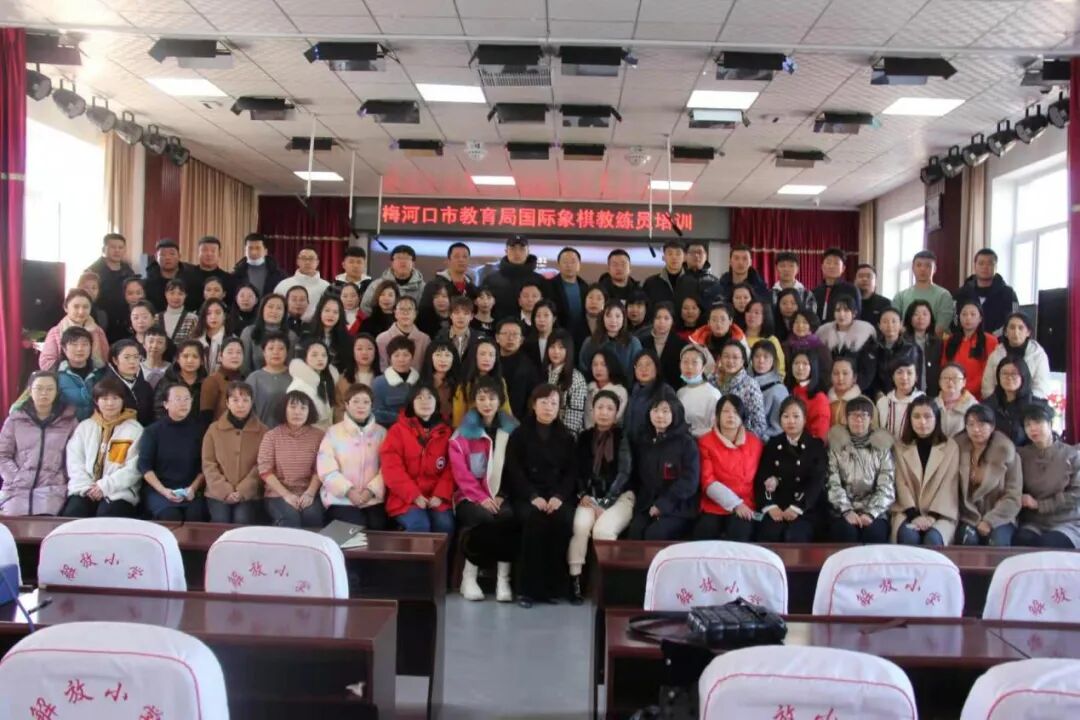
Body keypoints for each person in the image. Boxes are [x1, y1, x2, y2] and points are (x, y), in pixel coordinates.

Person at [504, 384, 578, 606]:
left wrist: (559, 497)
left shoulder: (567, 436)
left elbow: (572, 473)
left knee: (562, 520)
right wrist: (532, 496)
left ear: (559, 408)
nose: (548, 407)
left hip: (557, 496)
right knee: (534, 521)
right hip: (527, 494)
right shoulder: (519, 434)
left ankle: (553, 589)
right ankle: (527, 590)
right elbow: (514, 470)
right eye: (543, 402)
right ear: (534, 405)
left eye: (553, 403)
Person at [450, 377, 519, 603]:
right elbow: (461, 474)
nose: (487, 403)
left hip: (501, 494)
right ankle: (469, 577)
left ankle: (503, 580)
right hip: (469, 497)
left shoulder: (513, 431)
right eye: (481, 398)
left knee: (508, 517)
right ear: (474, 402)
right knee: (483, 519)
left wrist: (502, 495)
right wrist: (480, 498)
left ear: (500, 401)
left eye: (492, 398)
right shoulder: (463, 434)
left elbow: (515, 468)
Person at [568, 390, 634, 603]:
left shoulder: (623, 437)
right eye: (600, 407)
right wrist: (583, 494)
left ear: (616, 413)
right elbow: (576, 471)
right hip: (589, 496)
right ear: (592, 410)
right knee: (580, 526)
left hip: (620, 497)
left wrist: (605, 503)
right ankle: (576, 580)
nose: (604, 413)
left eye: (610, 408)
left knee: (603, 531)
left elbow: (624, 473)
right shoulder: (584, 437)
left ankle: (608, 583)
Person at [62, 377, 143, 518]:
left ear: (123, 400)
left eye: (115, 398)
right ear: (96, 401)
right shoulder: (85, 427)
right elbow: (74, 461)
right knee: (73, 514)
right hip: (84, 489)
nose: (110, 403)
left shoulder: (134, 430)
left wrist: (104, 486)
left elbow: (134, 468)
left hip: (119, 491)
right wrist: (88, 487)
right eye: (104, 399)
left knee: (108, 517)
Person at [0, 372, 78, 516]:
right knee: (12, 523)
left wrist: (61, 480)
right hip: (16, 488)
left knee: (46, 522)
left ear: (57, 392)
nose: (44, 393)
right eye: (39, 388)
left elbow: (75, 458)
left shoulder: (68, 421)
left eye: (50, 389)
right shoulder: (16, 419)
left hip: (53, 490)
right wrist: (15, 477)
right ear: (30, 391)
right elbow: (2, 454)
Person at [382, 383, 455, 534]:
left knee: (445, 525)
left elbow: (451, 468)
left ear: (436, 402)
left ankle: (442, 553)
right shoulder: (397, 431)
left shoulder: (447, 432)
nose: (425, 402)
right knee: (420, 526)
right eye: (419, 398)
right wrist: (414, 496)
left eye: (429, 397)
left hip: (436, 497)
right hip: (405, 498)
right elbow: (392, 469)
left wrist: (440, 495)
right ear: (411, 403)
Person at [754, 397, 827, 543]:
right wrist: (771, 506)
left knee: (795, 537)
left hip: (805, 509)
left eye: (796, 416)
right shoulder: (773, 444)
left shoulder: (815, 446)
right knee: (768, 534)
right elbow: (762, 476)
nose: (791, 421)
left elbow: (816, 482)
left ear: (804, 419)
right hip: (778, 507)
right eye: (786, 416)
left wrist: (797, 507)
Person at [316, 383, 389, 528]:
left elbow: (388, 468)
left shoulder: (381, 433)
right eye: (355, 401)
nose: (361, 406)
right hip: (341, 499)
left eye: (366, 402)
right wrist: (348, 491)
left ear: (371, 406)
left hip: (373, 498)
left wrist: (371, 491)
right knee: (354, 527)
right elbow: (326, 469)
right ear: (347, 405)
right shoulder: (333, 433)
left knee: (378, 526)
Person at [826, 396, 895, 543]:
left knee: (874, 535)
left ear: (871, 419)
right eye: (853, 416)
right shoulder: (836, 446)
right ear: (846, 419)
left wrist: (870, 513)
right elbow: (832, 482)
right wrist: (847, 510)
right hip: (842, 511)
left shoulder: (882, 447)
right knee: (846, 534)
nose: (858, 420)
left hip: (875, 511)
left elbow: (886, 485)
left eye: (863, 416)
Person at [892, 396, 959, 546]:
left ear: (937, 419)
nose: (922, 422)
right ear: (909, 419)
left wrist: (932, 517)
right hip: (907, 511)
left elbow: (949, 486)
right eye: (916, 416)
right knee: (909, 537)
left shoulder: (950, 447)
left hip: (941, 514)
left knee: (933, 539)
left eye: (928, 416)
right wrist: (914, 515)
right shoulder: (900, 446)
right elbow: (901, 484)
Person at [693, 395, 760, 541]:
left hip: (746, 503)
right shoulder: (705, 442)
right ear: (717, 416)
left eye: (736, 412)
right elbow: (708, 481)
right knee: (703, 534)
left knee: (739, 534)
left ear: (742, 417)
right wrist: (735, 504)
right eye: (726, 411)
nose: (731, 416)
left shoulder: (754, 443)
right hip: (714, 504)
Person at [137, 383, 207, 521]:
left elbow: (205, 465)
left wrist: (193, 488)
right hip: (160, 490)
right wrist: (164, 491)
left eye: (187, 399)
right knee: (170, 516)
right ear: (166, 404)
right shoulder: (152, 431)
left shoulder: (200, 430)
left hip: (191, 490)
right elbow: (144, 466)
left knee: (195, 516)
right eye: (178, 399)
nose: (183, 403)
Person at [954, 404, 1021, 546]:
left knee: (997, 542)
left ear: (992, 426)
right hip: (968, 516)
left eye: (982, 424)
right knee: (968, 540)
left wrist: (989, 521)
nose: (976, 429)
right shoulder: (957, 450)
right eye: (971, 424)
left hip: (1000, 516)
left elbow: (1013, 496)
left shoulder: (1008, 453)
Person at [1015, 403, 1080, 548]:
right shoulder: (1021, 455)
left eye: (1038, 422)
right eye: (1028, 425)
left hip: (1067, 521)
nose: (1032, 428)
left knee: (1049, 544)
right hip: (1034, 522)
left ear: (1050, 424)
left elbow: (1076, 494)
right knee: (1021, 541)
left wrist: (1039, 504)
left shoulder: (1072, 455)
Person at [201, 381, 266, 525]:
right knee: (221, 520)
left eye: (245, 400)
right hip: (217, 492)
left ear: (252, 403)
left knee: (242, 519)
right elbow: (208, 463)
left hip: (250, 493)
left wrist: (243, 490)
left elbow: (262, 464)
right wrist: (224, 490)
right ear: (227, 403)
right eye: (235, 400)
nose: (240, 405)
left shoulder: (263, 431)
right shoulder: (214, 429)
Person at [258, 390, 325, 528]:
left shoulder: (319, 436)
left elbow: (320, 468)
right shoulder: (271, 436)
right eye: (293, 407)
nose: (297, 412)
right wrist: (286, 495)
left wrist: (310, 493)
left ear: (309, 411)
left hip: (308, 492)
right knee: (290, 518)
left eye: (303, 408)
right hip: (278, 494)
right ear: (284, 409)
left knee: (313, 516)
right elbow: (265, 470)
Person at [981, 312, 1051, 400]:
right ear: (1005, 332)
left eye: (1020, 328)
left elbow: (1041, 388)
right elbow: (987, 386)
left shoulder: (1038, 355)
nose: (1016, 332)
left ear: (1028, 332)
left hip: (1030, 404)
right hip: (999, 404)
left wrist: (1027, 405)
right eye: (1012, 327)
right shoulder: (995, 355)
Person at [983, 358, 1050, 448]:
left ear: (1023, 376)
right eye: (1004, 373)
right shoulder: (987, 405)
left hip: (1027, 454)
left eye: (1014, 373)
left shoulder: (1037, 406)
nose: (1009, 377)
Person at [953, 248, 1019, 335]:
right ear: (974, 266)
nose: (985, 267)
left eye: (990, 264)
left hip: (999, 341)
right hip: (966, 340)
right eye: (981, 263)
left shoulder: (1008, 294)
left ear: (996, 267)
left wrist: (991, 337)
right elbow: (954, 319)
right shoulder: (961, 293)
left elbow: (1014, 320)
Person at [39, 289, 110, 370]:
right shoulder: (56, 332)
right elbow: (45, 363)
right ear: (66, 308)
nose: (81, 311)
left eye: (86, 307)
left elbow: (107, 359)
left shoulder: (97, 331)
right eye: (76, 307)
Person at [84, 233, 136, 344]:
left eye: (120, 247)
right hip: (100, 321)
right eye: (113, 247)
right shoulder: (93, 271)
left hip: (124, 322)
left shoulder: (128, 271)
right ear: (104, 249)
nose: (117, 250)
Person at [712, 340, 768, 439]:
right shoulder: (711, 381)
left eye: (735, 357)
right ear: (720, 359)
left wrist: (741, 440)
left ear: (742, 361)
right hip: (714, 437)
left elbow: (759, 425)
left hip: (741, 440)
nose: (730, 361)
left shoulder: (750, 385)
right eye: (726, 356)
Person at [943, 299, 998, 399]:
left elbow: (988, 372)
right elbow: (944, 367)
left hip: (979, 396)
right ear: (959, 318)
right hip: (952, 393)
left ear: (980, 318)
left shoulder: (990, 341)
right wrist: (954, 389)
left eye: (973, 314)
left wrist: (965, 390)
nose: (968, 318)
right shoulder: (950, 341)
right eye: (964, 314)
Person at [452, 337, 512, 427]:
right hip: (471, 431)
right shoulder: (464, 384)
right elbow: (458, 420)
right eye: (482, 354)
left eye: (491, 355)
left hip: (497, 430)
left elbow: (506, 412)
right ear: (474, 356)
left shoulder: (500, 381)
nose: (487, 359)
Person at [893, 250, 955, 333]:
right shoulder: (900, 296)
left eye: (928, 266)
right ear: (913, 268)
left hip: (934, 340)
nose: (922, 269)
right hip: (905, 340)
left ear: (934, 269)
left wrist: (921, 338)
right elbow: (894, 324)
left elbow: (941, 328)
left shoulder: (944, 295)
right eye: (919, 265)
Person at [97, 339, 155, 426]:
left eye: (136, 357)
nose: (132, 361)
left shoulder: (145, 386)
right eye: (127, 357)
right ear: (115, 360)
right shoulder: (105, 387)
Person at [287, 340, 340, 430]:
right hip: (306, 432)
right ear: (305, 357)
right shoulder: (298, 385)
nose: (320, 359)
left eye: (324, 355)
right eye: (314, 355)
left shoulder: (327, 381)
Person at [871, 308, 924, 398]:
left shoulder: (911, 348)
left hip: (905, 396)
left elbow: (916, 377)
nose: (890, 325)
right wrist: (878, 393)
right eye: (885, 321)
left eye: (894, 321)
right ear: (879, 326)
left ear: (901, 324)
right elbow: (872, 376)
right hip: (880, 396)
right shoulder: (873, 347)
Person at [624, 350, 674, 443]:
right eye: (639, 365)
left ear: (656, 367)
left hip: (654, 445)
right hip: (630, 445)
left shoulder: (665, 391)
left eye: (648, 365)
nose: (644, 369)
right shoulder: (630, 391)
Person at [240, 293, 298, 374]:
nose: (274, 311)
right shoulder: (249, 332)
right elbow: (244, 366)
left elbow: (290, 366)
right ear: (262, 310)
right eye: (270, 307)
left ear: (284, 313)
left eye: (279, 308)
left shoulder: (291, 336)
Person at [495, 319, 541, 420]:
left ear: (521, 340)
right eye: (505, 333)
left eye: (515, 334)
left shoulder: (529, 367)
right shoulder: (490, 361)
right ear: (497, 338)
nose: (510, 338)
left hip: (517, 421)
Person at [360, 244, 425, 315]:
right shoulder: (377, 285)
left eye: (407, 258)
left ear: (413, 263)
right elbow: (365, 307)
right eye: (398, 258)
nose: (403, 261)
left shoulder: (423, 288)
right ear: (391, 263)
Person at [544, 330, 588, 436]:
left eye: (561, 348)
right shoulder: (542, 372)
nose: (556, 351)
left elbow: (574, 419)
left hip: (564, 435)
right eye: (552, 347)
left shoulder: (576, 378)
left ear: (569, 350)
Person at [875, 352, 925, 441]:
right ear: (893, 377)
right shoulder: (883, 402)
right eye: (899, 372)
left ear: (916, 377)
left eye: (909, 373)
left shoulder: (923, 402)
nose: (904, 377)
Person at [246, 332, 292, 429]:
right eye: (271, 348)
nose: (276, 352)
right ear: (264, 352)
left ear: (287, 352)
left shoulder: (294, 376)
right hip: (261, 432)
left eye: (281, 348)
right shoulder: (254, 378)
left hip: (291, 433)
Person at [547, 247, 591, 347]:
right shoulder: (549, 286)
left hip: (581, 337)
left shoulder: (585, 287)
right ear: (558, 264)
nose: (569, 265)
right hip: (558, 337)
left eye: (573, 262)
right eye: (565, 262)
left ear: (579, 265)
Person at [53, 327, 99, 420]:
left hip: (96, 425)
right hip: (65, 425)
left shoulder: (100, 373)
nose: (79, 349)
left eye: (85, 344)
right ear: (64, 348)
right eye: (74, 344)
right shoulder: (54, 376)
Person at [372, 336, 419, 426]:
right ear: (390, 358)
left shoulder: (419, 381)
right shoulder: (379, 383)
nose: (401, 359)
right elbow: (375, 412)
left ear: (412, 357)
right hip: (388, 430)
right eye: (396, 355)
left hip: (416, 430)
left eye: (406, 355)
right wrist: (401, 419)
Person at [676, 344, 721, 439]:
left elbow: (717, 427)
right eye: (685, 362)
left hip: (705, 442)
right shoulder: (679, 393)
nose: (689, 366)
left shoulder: (713, 394)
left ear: (703, 367)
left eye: (694, 362)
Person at [153, 340, 205, 421]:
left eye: (195, 356)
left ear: (201, 361)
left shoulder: (207, 383)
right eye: (185, 356)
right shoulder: (167, 381)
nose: (190, 360)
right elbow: (158, 410)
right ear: (177, 359)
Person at [273, 247, 330, 321]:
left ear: (317, 262)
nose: (307, 262)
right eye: (303, 258)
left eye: (311, 259)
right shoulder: (283, 285)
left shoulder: (326, 287)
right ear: (298, 261)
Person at [640, 301, 687, 390]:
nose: (662, 322)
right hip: (647, 389)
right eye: (658, 318)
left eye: (666, 318)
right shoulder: (643, 342)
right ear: (653, 320)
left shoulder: (681, 344)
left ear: (672, 321)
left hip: (673, 390)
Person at [786, 350, 831, 441]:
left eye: (805, 364)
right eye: (796, 363)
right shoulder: (789, 391)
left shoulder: (819, 398)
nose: (800, 367)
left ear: (813, 367)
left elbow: (820, 435)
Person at [376, 296, 430, 372]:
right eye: (401, 309)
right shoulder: (382, 339)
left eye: (409, 309)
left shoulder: (425, 339)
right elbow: (382, 367)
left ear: (415, 313)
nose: (405, 313)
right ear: (395, 313)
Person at [815, 295, 876, 361]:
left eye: (846, 310)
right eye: (837, 310)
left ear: (854, 313)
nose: (841, 314)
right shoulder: (823, 332)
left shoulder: (865, 332)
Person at [143, 238, 194, 317]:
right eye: (163, 254)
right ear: (156, 257)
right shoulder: (148, 283)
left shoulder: (190, 279)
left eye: (172, 254)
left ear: (179, 256)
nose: (167, 257)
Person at [199, 336, 246, 423]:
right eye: (230, 352)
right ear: (220, 356)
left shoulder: (246, 380)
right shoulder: (212, 381)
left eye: (239, 352)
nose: (235, 356)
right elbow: (205, 418)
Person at [904, 300, 944, 397]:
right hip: (908, 393)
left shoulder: (938, 343)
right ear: (909, 318)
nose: (921, 318)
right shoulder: (902, 342)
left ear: (931, 318)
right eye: (916, 314)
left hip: (933, 394)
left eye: (925, 314)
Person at [583, 347, 629, 430]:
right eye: (595, 365)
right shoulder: (588, 388)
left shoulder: (620, 391)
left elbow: (616, 418)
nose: (598, 369)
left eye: (603, 365)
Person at [751, 340, 789, 440]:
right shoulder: (746, 383)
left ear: (773, 361)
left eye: (766, 357)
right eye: (757, 356)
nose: (761, 361)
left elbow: (779, 428)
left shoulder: (779, 390)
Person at [811, 247, 861, 322]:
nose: (831, 266)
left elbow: (856, 316)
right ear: (822, 267)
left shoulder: (851, 290)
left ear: (843, 268)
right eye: (828, 263)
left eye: (836, 263)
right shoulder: (815, 291)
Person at [419, 242, 473, 310]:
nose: (461, 260)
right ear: (448, 261)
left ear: (469, 261)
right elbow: (424, 312)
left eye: (465, 257)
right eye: (456, 256)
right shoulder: (433, 286)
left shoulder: (472, 287)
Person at [303, 294, 351, 371]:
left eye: (335, 312)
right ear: (320, 311)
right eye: (327, 310)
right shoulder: (306, 333)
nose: (331, 315)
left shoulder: (346, 339)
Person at [782, 309, 832, 382]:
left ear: (811, 325)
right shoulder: (785, 346)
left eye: (805, 322)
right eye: (796, 322)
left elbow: (826, 374)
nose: (800, 325)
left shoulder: (821, 349)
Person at [232, 232, 287, 298]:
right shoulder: (236, 274)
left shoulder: (279, 275)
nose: (254, 252)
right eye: (250, 248)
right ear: (245, 250)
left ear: (265, 251)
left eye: (258, 248)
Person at [187, 236, 235, 309]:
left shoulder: (228, 279)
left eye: (213, 251)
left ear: (219, 254)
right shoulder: (188, 275)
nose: (209, 254)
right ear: (198, 253)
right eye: (205, 250)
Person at [743, 299, 785, 380]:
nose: (751, 315)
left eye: (756, 313)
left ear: (765, 316)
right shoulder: (738, 337)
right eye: (748, 311)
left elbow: (780, 369)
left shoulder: (771, 340)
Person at [419, 341, 461, 424]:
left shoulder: (460, 385)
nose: (443, 360)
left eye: (447, 355)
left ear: (454, 359)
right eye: (438, 355)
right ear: (430, 357)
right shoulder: (422, 383)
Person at [936, 363, 979, 437]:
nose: (950, 382)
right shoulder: (932, 405)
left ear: (964, 382)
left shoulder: (973, 406)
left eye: (955, 378)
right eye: (945, 378)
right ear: (939, 382)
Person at [770, 251, 817, 316]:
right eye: (782, 266)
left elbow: (810, 318)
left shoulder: (807, 295)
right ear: (776, 268)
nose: (786, 269)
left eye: (791, 266)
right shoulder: (769, 295)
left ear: (797, 269)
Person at [642, 240, 687, 308]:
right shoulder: (650, 283)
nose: (674, 257)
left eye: (678, 254)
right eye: (670, 254)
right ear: (663, 257)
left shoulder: (692, 282)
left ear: (684, 258)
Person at [337, 333, 380, 403]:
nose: (364, 352)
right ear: (352, 352)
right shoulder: (343, 379)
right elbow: (338, 406)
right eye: (359, 349)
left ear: (375, 352)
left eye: (369, 348)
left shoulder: (384, 379)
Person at [156, 279, 199, 347]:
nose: (176, 297)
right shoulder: (156, 318)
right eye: (172, 293)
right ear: (165, 294)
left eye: (180, 294)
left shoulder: (192, 319)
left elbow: (196, 344)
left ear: (185, 295)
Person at [435, 296, 478, 362]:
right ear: (450, 315)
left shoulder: (479, 338)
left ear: (471, 316)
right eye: (457, 313)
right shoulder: (440, 336)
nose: (461, 317)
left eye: (466, 313)